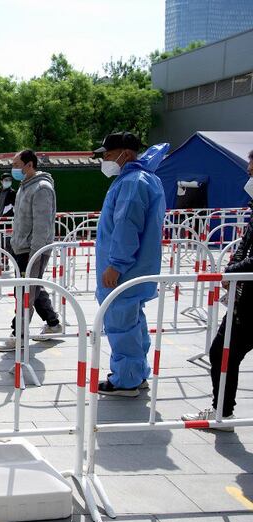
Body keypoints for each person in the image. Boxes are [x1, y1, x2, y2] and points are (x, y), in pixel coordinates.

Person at [92, 132, 168, 396]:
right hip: (136, 269)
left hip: (124, 271)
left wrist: (116, 265)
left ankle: (126, 380)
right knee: (133, 323)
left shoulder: (133, 183)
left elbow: (126, 227)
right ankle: (136, 373)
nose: (104, 159)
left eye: (108, 155)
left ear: (125, 154)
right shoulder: (144, 179)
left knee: (121, 325)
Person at [182, 151, 253, 426]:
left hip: (248, 303)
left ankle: (222, 411)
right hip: (243, 297)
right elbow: (243, 248)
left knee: (223, 351)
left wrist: (230, 273)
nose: (248, 178)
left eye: (251, 173)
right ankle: (222, 410)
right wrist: (231, 271)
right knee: (223, 352)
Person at [0, 150, 62, 352]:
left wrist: (35, 255)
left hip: (31, 250)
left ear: (29, 164)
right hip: (19, 246)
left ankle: (19, 335)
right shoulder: (25, 186)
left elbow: (42, 226)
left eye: (16, 164)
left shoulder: (41, 188)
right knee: (31, 288)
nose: (13, 168)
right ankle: (52, 323)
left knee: (25, 292)